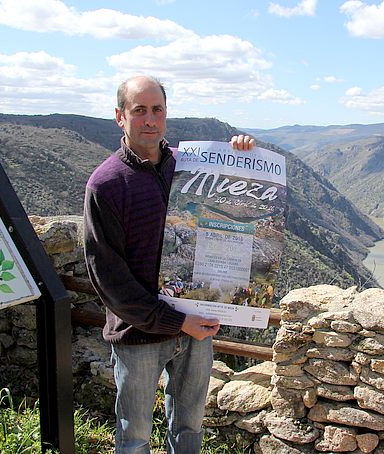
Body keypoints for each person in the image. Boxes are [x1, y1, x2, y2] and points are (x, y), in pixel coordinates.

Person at [83, 74, 255, 454]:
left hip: (196, 327)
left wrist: (242, 156)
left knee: (191, 426)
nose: (149, 119)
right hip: (139, 335)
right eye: (139, 110)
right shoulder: (106, 185)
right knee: (135, 435)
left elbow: (233, 199)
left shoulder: (189, 166)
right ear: (119, 116)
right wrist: (176, 321)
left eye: (157, 109)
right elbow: (108, 278)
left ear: (166, 114)